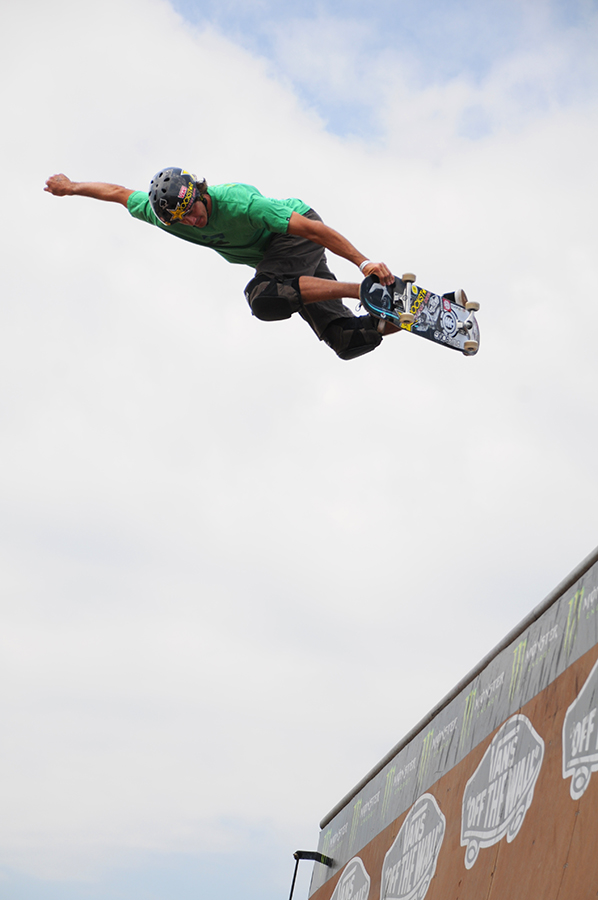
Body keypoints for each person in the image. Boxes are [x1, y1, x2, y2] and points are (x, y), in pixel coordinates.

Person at [44, 168, 398, 360]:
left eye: (193, 211)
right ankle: (406, 316)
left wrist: (363, 263)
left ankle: (367, 292)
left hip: (296, 235)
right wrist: (72, 187)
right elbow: (119, 194)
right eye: (180, 220)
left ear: (200, 193)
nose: (193, 221)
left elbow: (313, 229)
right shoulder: (163, 215)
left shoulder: (242, 204)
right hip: (282, 266)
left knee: (264, 296)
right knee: (347, 340)